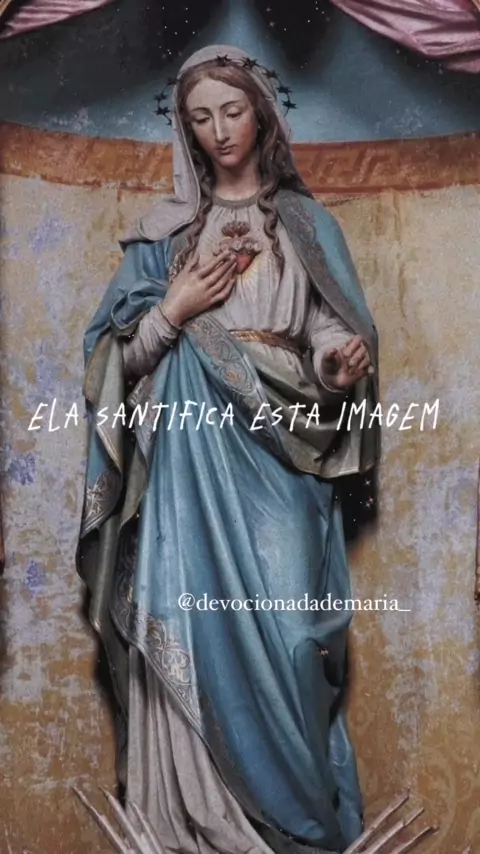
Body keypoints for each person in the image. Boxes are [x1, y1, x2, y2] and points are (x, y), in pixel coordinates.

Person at [77, 44, 380, 854]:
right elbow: (113, 365)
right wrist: (173, 309)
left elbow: (331, 331)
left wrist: (336, 363)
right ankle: (197, 828)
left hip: (284, 454)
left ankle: (296, 835)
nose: (218, 130)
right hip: (187, 464)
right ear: (185, 127)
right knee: (186, 625)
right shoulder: (162, 238)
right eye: (200, 117)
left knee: (294, 637)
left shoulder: (308, 226)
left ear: (262, 114)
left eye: (233, 110)